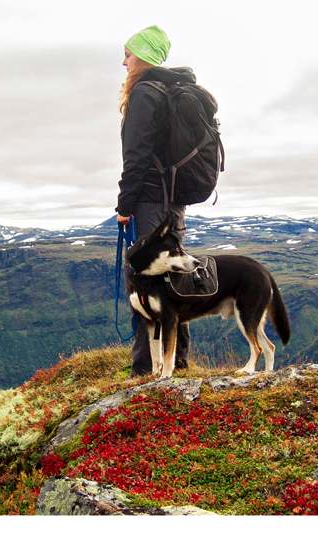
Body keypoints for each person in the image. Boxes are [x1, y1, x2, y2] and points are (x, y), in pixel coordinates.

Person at [116, 25, 196, 377]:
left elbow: (136, 157)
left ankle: (144, 369)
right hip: (173, 202)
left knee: (145, 282)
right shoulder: (169, 91)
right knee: (172, 280)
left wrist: (124, 205)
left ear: (144, 57)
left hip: (150, 201)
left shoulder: (145, 93)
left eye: (128, 55)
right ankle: (177, 361)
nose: (124, 62)